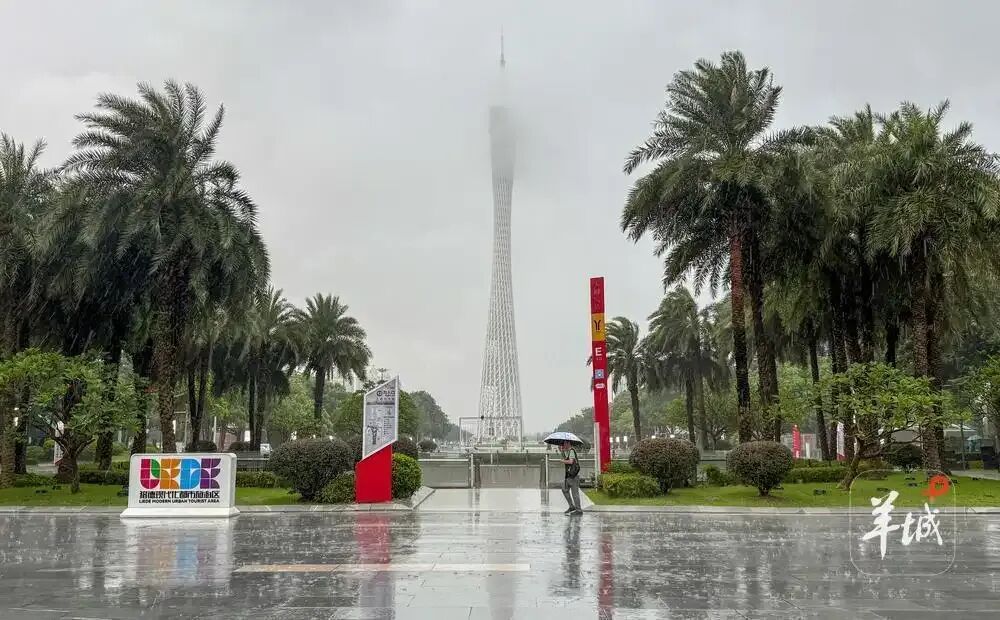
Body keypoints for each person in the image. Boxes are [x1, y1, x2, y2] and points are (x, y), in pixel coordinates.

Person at [560, 440, 582, 515]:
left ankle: (578, 510)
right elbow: (566, 458)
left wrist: (563, 461)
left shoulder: (572, 451)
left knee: (575, 493)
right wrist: (562, 451)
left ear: (568, 443)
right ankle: (571, 506)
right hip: (568, 476)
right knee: (564, 489)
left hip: (574, 476)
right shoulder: (566, 451)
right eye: (563, 444)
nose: (563, 445)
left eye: (564, 443)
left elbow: (571, 461)